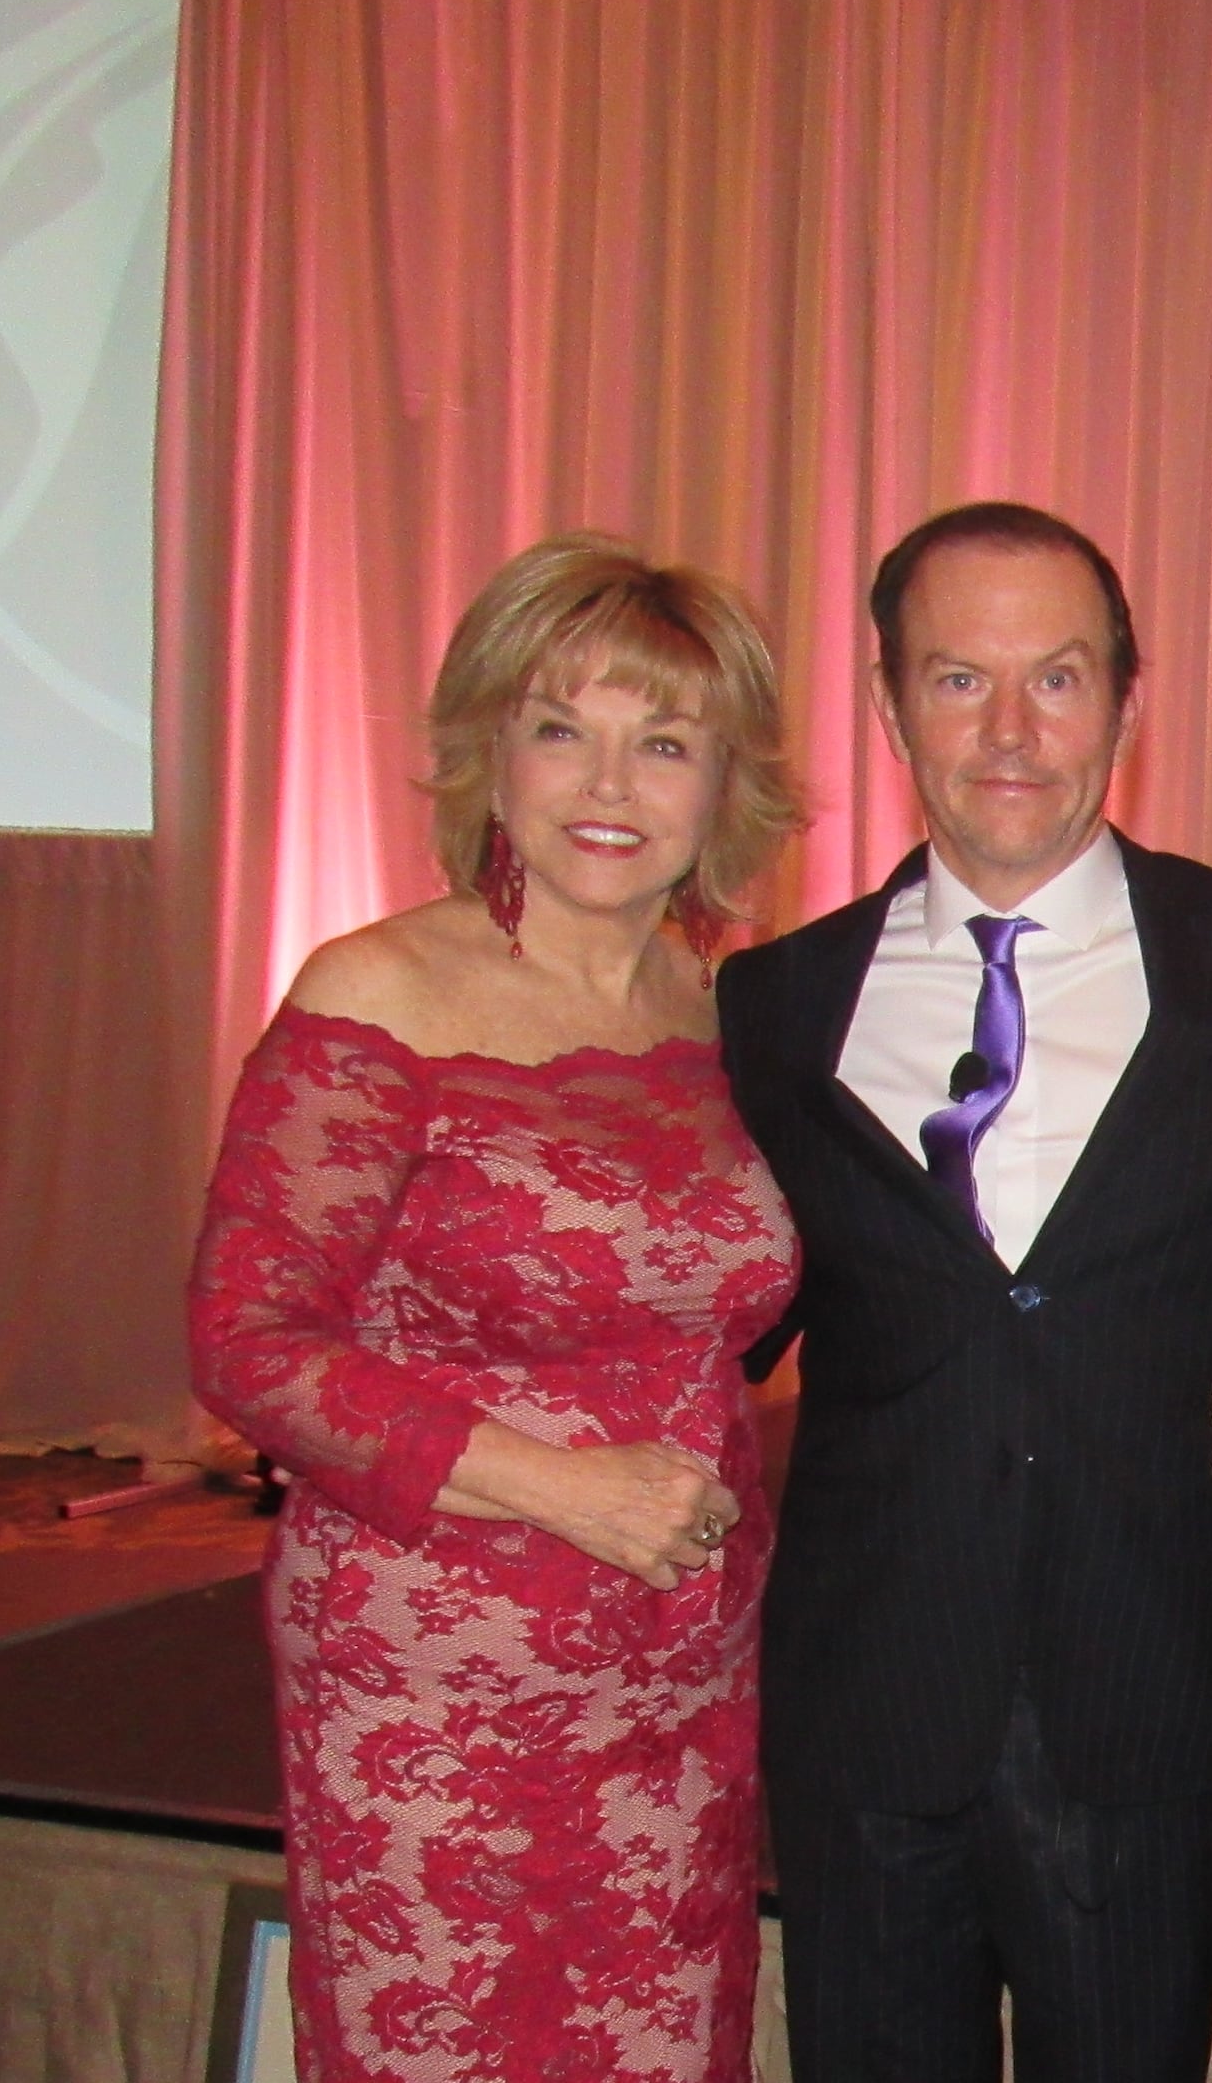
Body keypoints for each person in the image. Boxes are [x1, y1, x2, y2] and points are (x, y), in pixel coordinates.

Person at [714, 502, 1212, 2083]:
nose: (1009, 731)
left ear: (1128, 701)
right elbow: (711, 1316)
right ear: (887, 704)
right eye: (957, 679)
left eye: (1056, 680)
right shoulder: (776, 1003)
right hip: (867, 1698)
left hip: (1143, 1682)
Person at [189, 533, 808, 2083]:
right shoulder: (379, 993)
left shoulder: (730, 1016)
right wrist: (565, 1490)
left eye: (662, 742)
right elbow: (248, 1340)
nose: (609, 782)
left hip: (680, 1676)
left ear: (722, 786)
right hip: (435, 1681)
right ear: (493, 752)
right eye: (561, 727)